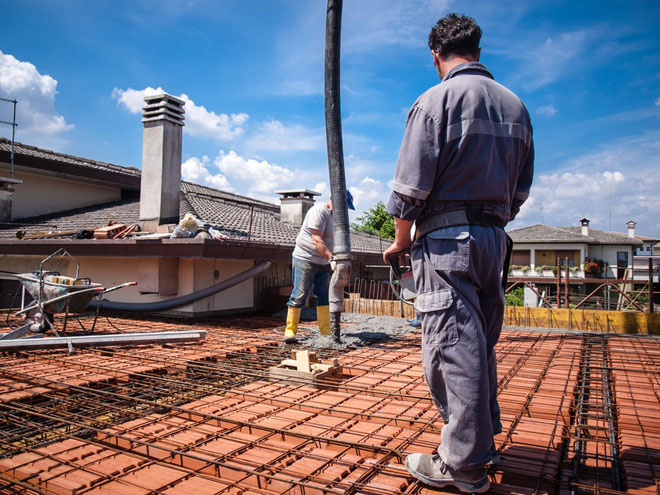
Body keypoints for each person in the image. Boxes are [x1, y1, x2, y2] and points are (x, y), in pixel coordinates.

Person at [382, 13, 534, 494]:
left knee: (453, 350)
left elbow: (409, 189)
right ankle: (480, 442)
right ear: (480, 52)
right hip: (494, 241)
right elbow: (521, 190)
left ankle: (463, 468)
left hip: (447, 243)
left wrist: (402, 239)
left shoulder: (435, 101)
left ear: (435, 56)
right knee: (479, 347)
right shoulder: (516, 106)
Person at [284, 189, 355, 344]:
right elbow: (316, 239)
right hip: (305, 258)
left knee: (324, 296)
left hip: (323, 262)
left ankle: (325, 332)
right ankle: (290, 331)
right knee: (299, 295)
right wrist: (332, 259)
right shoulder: (319, 212)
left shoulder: (338, 218)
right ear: (335, 201)